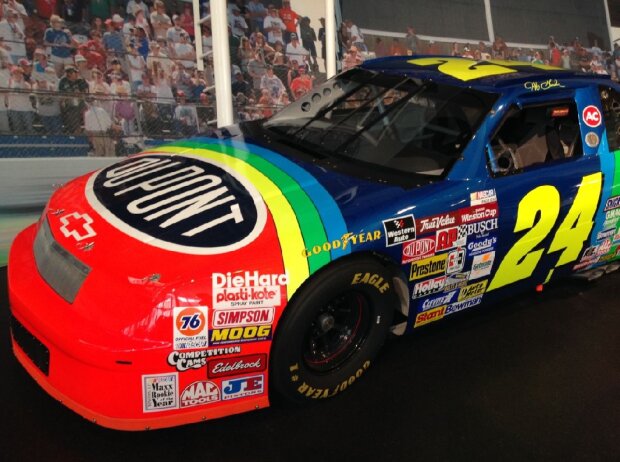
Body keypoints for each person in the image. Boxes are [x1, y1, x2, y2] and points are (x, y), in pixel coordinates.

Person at [58, 64, 88, 133]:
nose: (76, 74)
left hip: (81, 102)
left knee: (85, 109)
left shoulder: (81, 80)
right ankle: (76, 131)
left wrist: (79, 93)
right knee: (72, 114)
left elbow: (85, 92)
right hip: (69, 104)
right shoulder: (63, 81)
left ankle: (86, 129)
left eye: (75, 72)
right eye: (74, 72)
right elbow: (61, 94)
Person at [33, 70, 62, 134]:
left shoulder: (52, 86)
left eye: (44, 80)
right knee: (48, 131)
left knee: (57, 131)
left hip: (54, 114)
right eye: (40, 81)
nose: (43, 82)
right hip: (43, 114)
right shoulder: (35, 87)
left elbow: (57, 87)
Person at [7, 65, 32, 133]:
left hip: (25, 109)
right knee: (17, 129)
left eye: (19, 72)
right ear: (12, 74)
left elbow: (29, 91)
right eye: (15, 72)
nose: (17, 74)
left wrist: (22, 81)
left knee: (29, 128)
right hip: (14, 109)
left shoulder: (26, 84)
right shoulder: (9, 83)